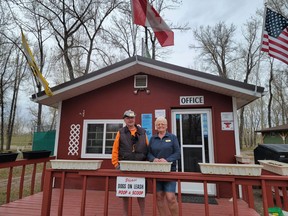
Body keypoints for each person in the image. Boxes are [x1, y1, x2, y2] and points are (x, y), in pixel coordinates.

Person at [111, 109, 148, 216]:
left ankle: (143, 214)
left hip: (141, 167)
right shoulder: (120, 132)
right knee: (125, 193)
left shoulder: (142, 132)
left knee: (140, 193)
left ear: (134, 119)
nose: (130, 120)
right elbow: (115, 149)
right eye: (127, 118)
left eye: (132, 118)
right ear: (124, 119)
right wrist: (116, 164)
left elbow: (147, 147)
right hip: (125, 167)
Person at [147, 116, 181, 216]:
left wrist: (167, 160)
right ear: (155, 126)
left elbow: (177, 153)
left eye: (162, 124)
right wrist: (153, 159)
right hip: (157, 171)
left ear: (166, 126)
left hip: (170, 171)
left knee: (171, 197)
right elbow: (148, 153)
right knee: (159, 196)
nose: (160, 125)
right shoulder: (153, 138)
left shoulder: (172, 137)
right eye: (158, 124)